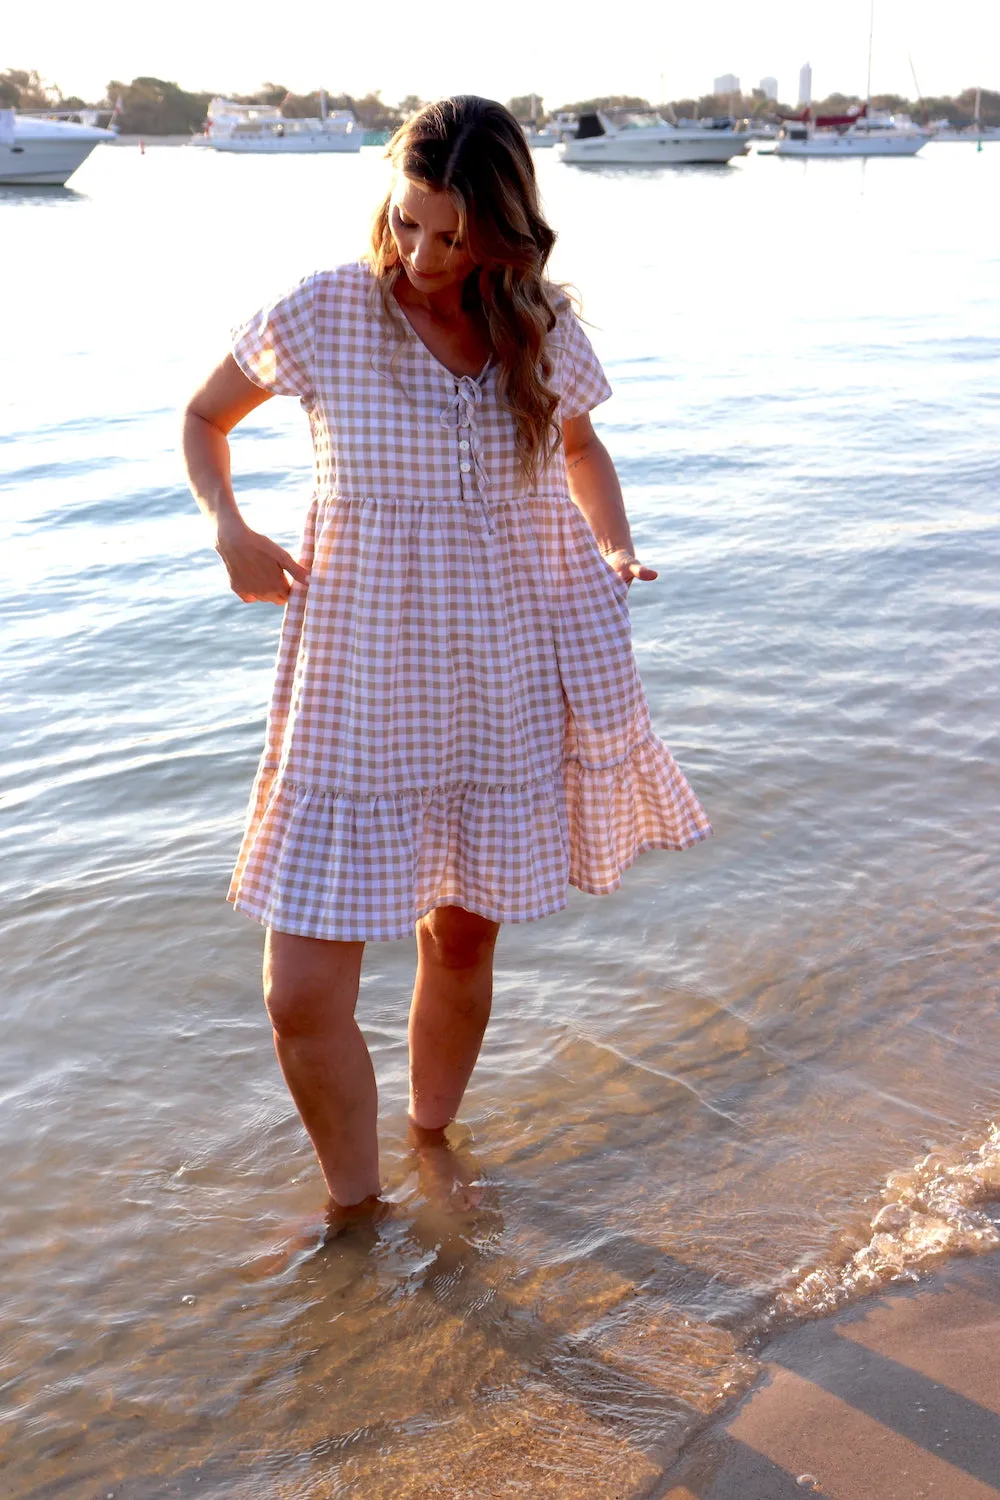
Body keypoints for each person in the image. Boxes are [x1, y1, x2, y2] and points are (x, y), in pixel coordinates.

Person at [181, 96, 710, 1224]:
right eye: (408, 223)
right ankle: (355, 1213)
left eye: (451, 237)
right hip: (354, 686)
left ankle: (432, 1148)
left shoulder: (541, 331)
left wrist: (613, 540)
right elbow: (203, 418)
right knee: (298, 995)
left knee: (460, 936)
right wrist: (229, 527)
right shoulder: (329, 310)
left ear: (505, 235)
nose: (419, 257)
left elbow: (581, 445)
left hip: (496, 674)